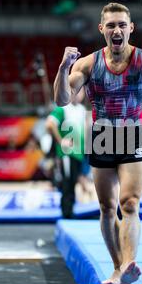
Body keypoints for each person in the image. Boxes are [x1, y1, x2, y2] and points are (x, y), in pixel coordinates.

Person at [53, 2, 142, 284]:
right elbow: (61, 99)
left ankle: (129, 264)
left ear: (130, 28)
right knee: (107, 207)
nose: (117, 29)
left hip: (133, 133)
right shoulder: (88, 63)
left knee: (130, 203)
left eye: (122, 24)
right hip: (103, 136)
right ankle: (117, 267)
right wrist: (62, 68)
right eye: (111, 25)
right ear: (102, 30)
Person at [46, 88, 86, 219]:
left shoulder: (81, 110)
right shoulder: (63, 108)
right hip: (67, 154)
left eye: (81, 91)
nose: (78, 94)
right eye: (75, 91)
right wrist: (60, 140)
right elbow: (49, 124)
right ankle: (66, 213)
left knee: (74, 182)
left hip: (79, 153)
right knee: (67, 183)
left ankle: (70, 211)